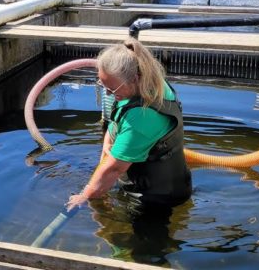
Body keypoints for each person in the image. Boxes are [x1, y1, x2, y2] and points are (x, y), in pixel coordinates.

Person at [66, 38, 192, 211]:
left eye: (113, 89)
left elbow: (114, 169)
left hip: (158, 197)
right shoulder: (149, 79)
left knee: (135, 237)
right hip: (157, 179)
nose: (108, 93)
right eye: (104, 86)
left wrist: (85, 196)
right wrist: (108, 141)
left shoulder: (142, 118)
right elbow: (117, 118)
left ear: (135, 78)